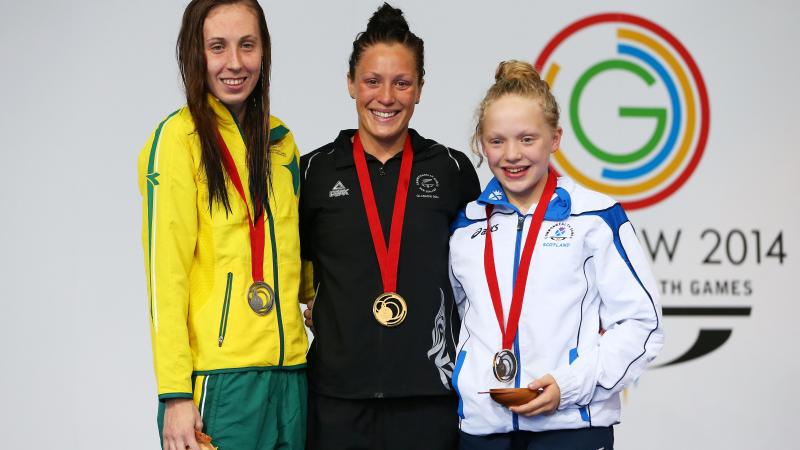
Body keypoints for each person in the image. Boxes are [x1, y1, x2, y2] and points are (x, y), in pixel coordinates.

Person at [448, 60, 664, 449]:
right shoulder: (466, 226)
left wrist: (570, 386)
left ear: (556, 138)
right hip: (484, 431)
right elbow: (456, 321)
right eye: (497, 141)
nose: (512, 155)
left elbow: (641, 324)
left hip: (571, 427)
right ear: (482, 143)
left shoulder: (596, 217)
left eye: (527, 139)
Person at [299, 3, 481, 449]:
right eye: (372, 81)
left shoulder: (452, 170)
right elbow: (286, 265)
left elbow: (480, 277)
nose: (386, 97)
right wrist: (316, 307)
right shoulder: (312, 172)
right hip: (337, 398)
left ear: (419, 89)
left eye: (402, 82)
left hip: (430, 397)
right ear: (350, 84)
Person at [137, 1, 307, 449]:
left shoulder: (281, 141)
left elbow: (298, 254)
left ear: (264, 51)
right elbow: (165, 276)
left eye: (247, 45)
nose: (235, 63)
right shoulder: (176, 141)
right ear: (196, 54)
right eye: (218, 47)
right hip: (221, 380)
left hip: (291, 374)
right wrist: (175, 393)